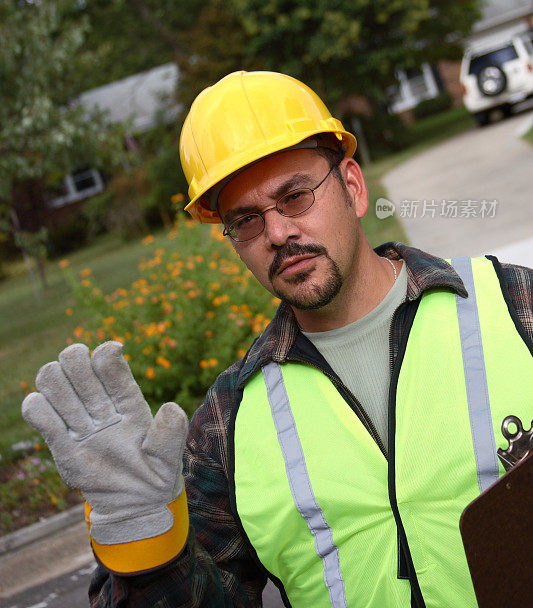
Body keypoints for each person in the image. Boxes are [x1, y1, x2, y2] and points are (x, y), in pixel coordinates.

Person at [22, 70, 533, 608]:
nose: (278, 233)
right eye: (245, 220)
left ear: (353, 188)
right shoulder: (231, 422)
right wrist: (145, 549)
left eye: (295, 196)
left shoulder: (513, 306)